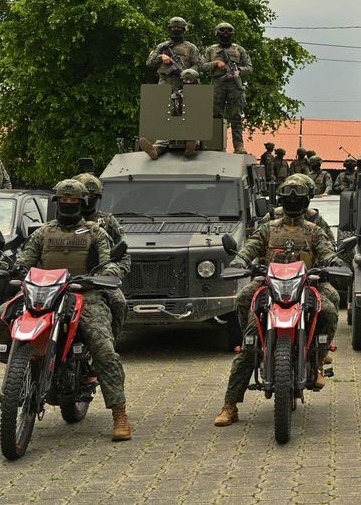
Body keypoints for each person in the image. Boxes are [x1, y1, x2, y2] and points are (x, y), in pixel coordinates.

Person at [0, 179, 131, 440]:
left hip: (82, 292)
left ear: (82, 203)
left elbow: (108, 260)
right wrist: (7, 266)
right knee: (0, 316)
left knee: (103, 347)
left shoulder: (95, 232)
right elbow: (25, 259)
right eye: (63, 201)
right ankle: (16, 369)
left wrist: (106, 272)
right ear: (56, 203)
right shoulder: (43, 233)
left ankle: (119, 413)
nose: (68, 206)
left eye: (73, 202)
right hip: (41, 291)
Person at [214, 175, 343, 427]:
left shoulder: (314, 229)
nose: (293, 202)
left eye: (298, 198)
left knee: (329, 309)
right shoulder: (268, 227)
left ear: (305, 200)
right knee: (245, 313)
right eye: (288, 198)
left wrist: (334, 262)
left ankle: (317, 360)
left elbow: (327, 250)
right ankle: (230, 405)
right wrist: (238, 261)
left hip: (308, 283)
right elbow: (250, 247)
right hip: (270, 283)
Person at [75, 173, 130, 338]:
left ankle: (110, 340)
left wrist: (112, 274)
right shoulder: (61, 221)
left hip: (98, 279)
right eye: (85, 195)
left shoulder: (107, 221)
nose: (88, 198)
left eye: (92, 195)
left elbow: (124, 253)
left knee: (119, 302)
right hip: (63, 278)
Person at [198, 22, 252, 154]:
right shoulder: (211, 50)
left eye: (228, 31)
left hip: (235, 84)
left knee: (236, 116)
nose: (226, 34)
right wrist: (215, 63)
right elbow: (202, 66)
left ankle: (238, 146)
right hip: (218, 83)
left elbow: (249, 67)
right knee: (215, 115)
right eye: (222, 31)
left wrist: (239, 70)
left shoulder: (239, 49)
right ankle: (215, 145)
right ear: (217, 33)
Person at [139, 68, 204, 160]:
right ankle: (155, 150)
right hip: (176, 124)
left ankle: (190, 148)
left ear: (196, 81)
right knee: (166, 132)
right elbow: (169, 113)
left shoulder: (202, 96)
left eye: (190, 80)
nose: (188, 82)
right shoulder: (175, 96)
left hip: (193, 125)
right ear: (182, 81)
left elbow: (204, 115)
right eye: (185, 80)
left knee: (193, 132)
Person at [145, 17, 202, 91]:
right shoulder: (162, 46)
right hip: (165, 83)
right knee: (161, 102)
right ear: (169, 29)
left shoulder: (191, 47)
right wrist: (161, 57)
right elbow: (149, 63)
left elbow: (198, 64)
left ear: (184, 30)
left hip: (185, 83)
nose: (176, 29)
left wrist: (188, 73)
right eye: (173, 27)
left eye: (179, 28)